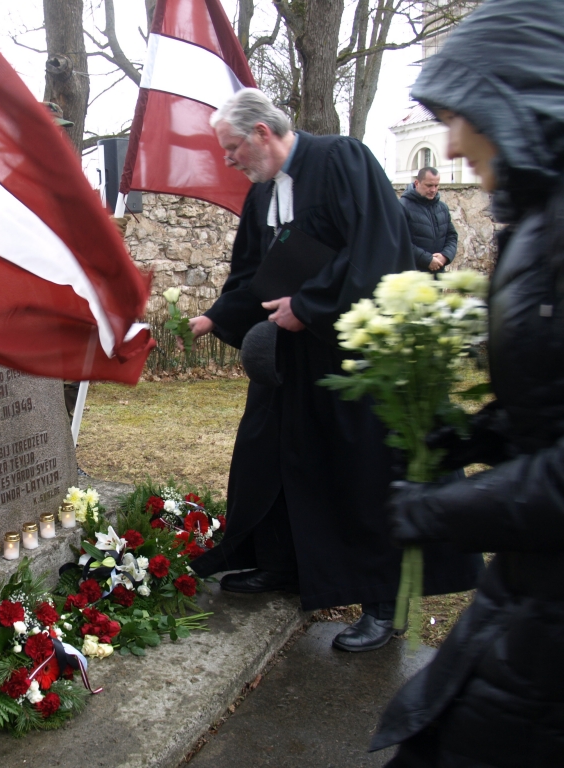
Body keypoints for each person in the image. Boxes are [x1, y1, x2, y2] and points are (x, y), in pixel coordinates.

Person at [187, 88, 481, 652]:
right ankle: (281, 563)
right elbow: (255, 273)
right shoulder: (261, 195)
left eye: (231, 149)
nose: (229, 162)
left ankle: (383, 601)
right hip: (291, 358)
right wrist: (213, 317)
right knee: (272, 454)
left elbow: (374, 245)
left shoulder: (342, 158)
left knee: (361, 471)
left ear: (261, 134)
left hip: (354, 350)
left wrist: (312, 306)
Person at [373, 0, 564, 763]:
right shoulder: (543, 211)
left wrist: (446, 510)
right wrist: (475, 431)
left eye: (463, 115)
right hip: (539, 589)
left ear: (520, 97)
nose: (451, 142)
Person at [400, 166, 458, 273]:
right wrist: (427, 260)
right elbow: (401, 241)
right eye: (429, 185)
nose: (433, 190)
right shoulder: (402, 207)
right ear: (417, 183)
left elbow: (452, 236)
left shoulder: (442, 208)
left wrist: (445, 256)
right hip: (413, 276)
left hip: (438, 275)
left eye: (436, 185)